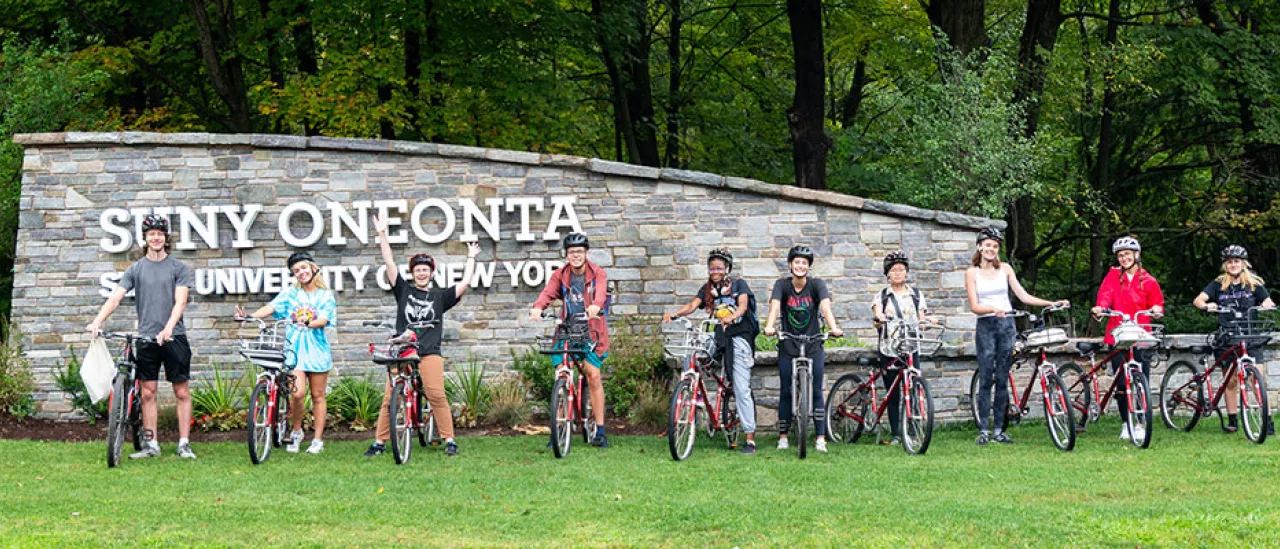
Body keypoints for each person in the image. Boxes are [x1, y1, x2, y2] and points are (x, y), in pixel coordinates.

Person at [364, 214, 480, 458]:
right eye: (417, 270)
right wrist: (382, 234)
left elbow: (465, 283)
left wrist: (471, 257)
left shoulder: (439, 298)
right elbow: (388, 262)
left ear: (431, 273)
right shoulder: (403, 290)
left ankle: (449, 439)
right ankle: (379, 442)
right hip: (402, 351)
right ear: (412, 273)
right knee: (389, 399)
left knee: (436, 394)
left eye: (425, 270)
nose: (421, 273)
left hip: (428, 352)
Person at [86, 214, 197, 459]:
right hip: (146, 338)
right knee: (147, 392)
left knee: (181, 392)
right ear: (145, 238)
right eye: (151, 234)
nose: (156, 238)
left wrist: (168, 328)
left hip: (174, 337)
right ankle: (152, 445)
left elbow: (180, 302)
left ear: (166, 238)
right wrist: (98, 321)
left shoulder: (179, 268)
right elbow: (115, 297)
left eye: (160, 234)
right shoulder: (135, 269)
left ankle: (184, 444)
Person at [966, 228, 1067, 446]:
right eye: (988, 245)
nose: (991, 249)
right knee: (986, 379)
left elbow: (1023, 296)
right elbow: (974, 306)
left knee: (1002, 379)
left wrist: (1051, 303)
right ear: (980, 247)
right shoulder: (971, 272)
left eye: (995, 246)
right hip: (986, 326)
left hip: (1006, 326)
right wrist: (991, 309)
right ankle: (984, 429)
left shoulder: (1005, 269)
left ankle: (999, 430)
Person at [236, 251, 337, 454]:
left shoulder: (325, 295)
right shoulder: (291, 293)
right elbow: (271, 307)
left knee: (318, 396)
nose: (301, 273)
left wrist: (309, 322)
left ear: (313, 268)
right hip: (295, 351)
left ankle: (317, 439)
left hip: (317, 351)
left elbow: (324, 320)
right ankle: (297, 431)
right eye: (296, 270)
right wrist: (250, 317)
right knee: (297, 394)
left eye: (303, 268)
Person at [663, 248, 761, 455]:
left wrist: (731, 316)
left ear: (726, 269)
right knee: (694, 346)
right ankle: (692, 388)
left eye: (719, 267)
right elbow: (692, 305)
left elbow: (743, 306)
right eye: (712, 267)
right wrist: (674, 314)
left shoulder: (738, 285)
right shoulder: (707, 289)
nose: (714, 270)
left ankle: (750, 438)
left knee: (741, 387)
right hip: (720, 336)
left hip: (740, 336)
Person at [530, 232, 612, 448]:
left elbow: (601, 293)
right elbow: (548, 293)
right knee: (561, 373)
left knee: (593, 375)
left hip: (592, 330)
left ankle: (601, 431)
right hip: (567, 328)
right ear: (566, 255)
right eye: (571, 252)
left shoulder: (598, 273)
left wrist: (596, 305)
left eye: (579, 251)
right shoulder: (561, 274)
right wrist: (538, 307)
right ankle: (558, 429)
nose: (575, 255)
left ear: (586, 253)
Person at [763, 245, 844, 453]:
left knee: (816, 390)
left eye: (804, 263)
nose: (800, 266)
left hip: (813, 344)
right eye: (797, 262)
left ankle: (820, 438)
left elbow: (825, 306)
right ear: (790, 264)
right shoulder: (782, 285)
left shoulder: (817, 285)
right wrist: (770, 326)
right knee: (786, 391)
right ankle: (783, 437)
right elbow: (775, 305)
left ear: (809, 266)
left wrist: (834, 328)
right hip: (788, 344)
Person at [1192, 245, 1275, 434]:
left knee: (1256, 379)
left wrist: (1267, 305)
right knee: (1230, 381)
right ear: (1225, 265)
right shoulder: (1218, 284)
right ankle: (1232, 420)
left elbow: (1266, 300)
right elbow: (1198, 300)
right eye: (1230, 262)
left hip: (1250, 336)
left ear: (1243, 264)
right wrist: (1208, 306)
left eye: (1237, 261)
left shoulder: (1254, 284)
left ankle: (1267, 421)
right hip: (1228, 337)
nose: (1233, 265)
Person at [1091, 235, 1164, 441]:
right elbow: (1105, 295)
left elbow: (1157, 303)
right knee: (1122, 383)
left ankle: (1140, 422)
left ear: (1136, 255)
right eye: (1120, 255)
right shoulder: (1113, 277)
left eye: (1127, 254)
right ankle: (1126, 422)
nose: (1124, 258)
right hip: (1118, 334)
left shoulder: (1148, 280)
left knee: (1141, 381)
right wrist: (1101, 308)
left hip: (1141, 334)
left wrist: (1157, 310)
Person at [871, 251, 936, 446]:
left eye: (901, 269)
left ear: (907, 273)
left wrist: (928, 321)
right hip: (889, 349)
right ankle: (896, 433)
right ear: (887, 274)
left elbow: (921, 319)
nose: (898, 273)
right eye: (893, 270)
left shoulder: (915, 295)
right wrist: (879, 319)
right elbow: (877, 317)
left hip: (910, 347)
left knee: (914, 388)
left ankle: (914, 431)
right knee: (893, 393)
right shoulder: (882, 296)